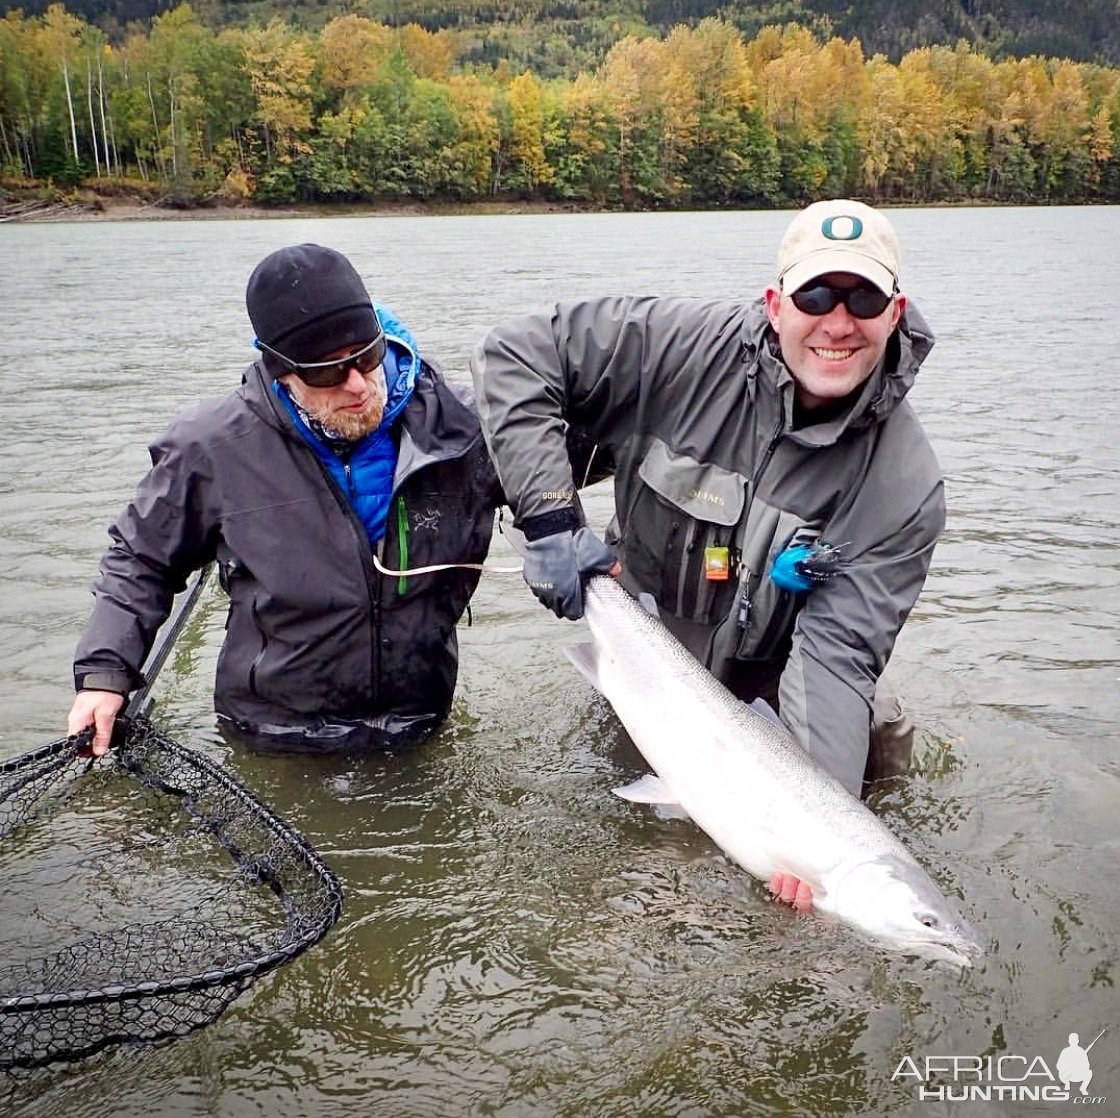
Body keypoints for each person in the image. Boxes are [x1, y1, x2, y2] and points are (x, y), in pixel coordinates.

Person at [470, 199, 943, 912]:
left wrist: (815, 820)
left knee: (871, 756)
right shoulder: (677, 349)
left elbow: (839, 659)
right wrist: (548, 517)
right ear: (775, 303)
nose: (838, 323)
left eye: (864, 298)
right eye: (816, 295)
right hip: (654, 643)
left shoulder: (906, 486)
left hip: (773, 679)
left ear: (896, 311)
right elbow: (514, 354)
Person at [68, 243, 501, 755]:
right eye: (326, 372)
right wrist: (104, 672)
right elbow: (140, 559)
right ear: (282, 372)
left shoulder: (463, 425)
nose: (358, 384)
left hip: (421, 718)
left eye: (367, 356)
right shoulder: (210, 447)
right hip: (274, 731)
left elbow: (574, 456)